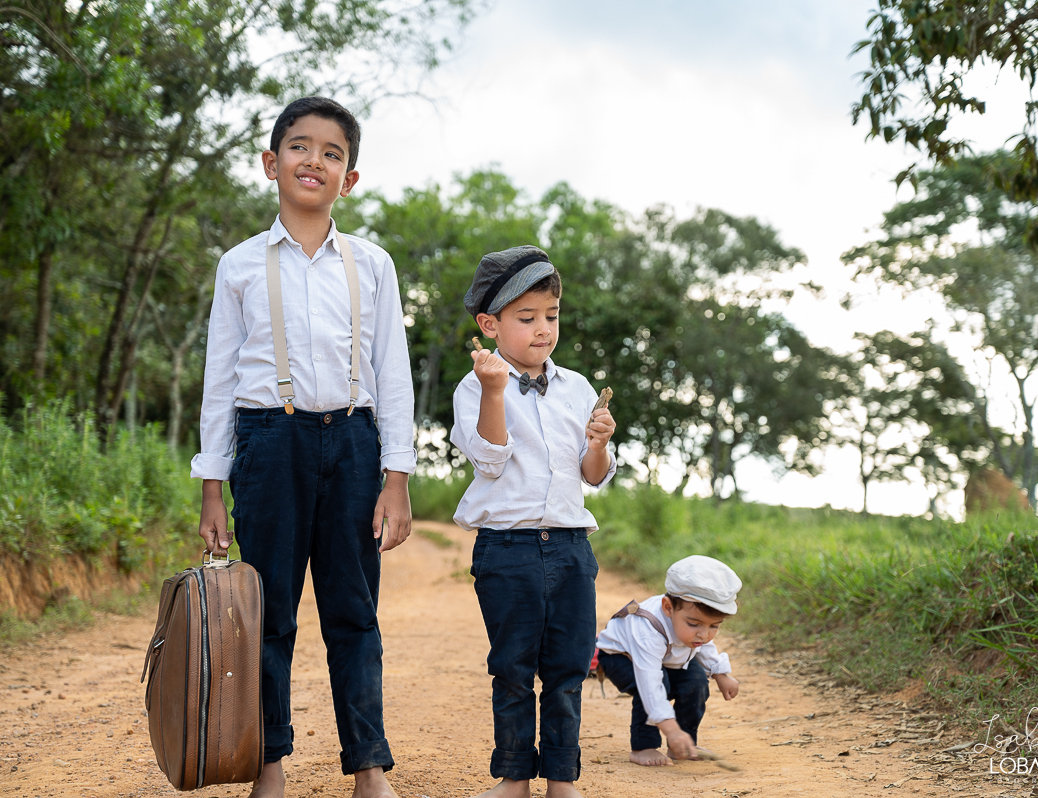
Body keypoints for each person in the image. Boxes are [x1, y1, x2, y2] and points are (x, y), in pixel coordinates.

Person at [192, 96, 416, 798]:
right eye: (299, 146)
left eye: (331, 152)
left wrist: (397, 476)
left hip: (353, 440)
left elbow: (393, 372)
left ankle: (369, 766)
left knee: (354, 611)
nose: (313, 160)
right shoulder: (239, 266)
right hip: (268, 442)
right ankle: (269, 764)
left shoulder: (372, 264)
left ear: (350, 178)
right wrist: (211, 488)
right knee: (269, 613)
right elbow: (220, 381)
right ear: (271, 163)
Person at [450, 245, 617, 798]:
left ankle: (562, 780)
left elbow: (593, 475)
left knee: (568, 669)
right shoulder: (474, 388)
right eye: (526, 318)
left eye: (552, 315)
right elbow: (490, 459)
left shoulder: (577, 388)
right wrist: (495, 391)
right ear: (489, 325)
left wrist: (599, 443)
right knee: (514, 669)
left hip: (571, 548)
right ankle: (514, 778)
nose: (543, 329)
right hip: (508, 549)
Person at [595, 555, 742, 767]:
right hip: (620, 657)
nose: (704, 634)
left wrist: (720, 673)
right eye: (694, 624)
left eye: (714, 626)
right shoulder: (648, 629)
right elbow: (650, 683)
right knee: (659, 684)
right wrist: (671, 729)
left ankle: (682, 744)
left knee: (696, 682)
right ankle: (643, 746)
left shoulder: (692, 627)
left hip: (667, 657)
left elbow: (704, 645)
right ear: (668, 607)